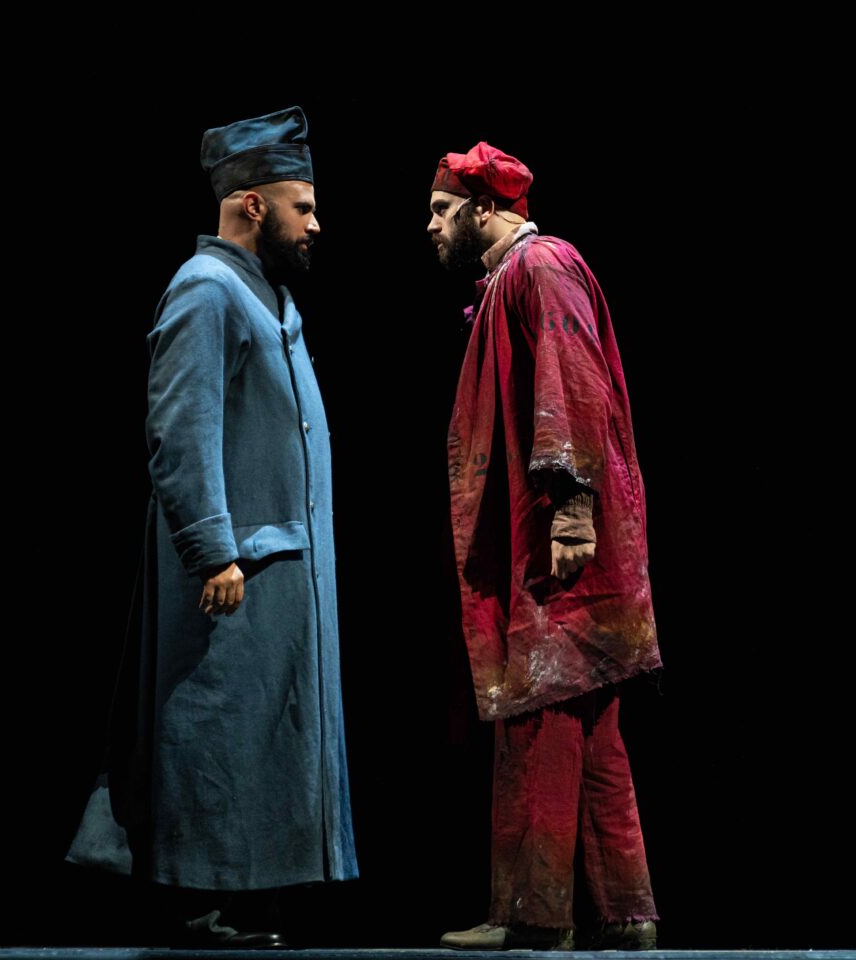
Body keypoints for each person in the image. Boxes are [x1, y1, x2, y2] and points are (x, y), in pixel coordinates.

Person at [65, 105, 358, 949]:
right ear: (252, 205)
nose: (315, 223)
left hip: (279, 573)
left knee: (258, 735)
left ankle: (242, 900)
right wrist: (211, 548)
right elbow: (180, 432)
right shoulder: (205, 291)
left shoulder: (267, 298)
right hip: (234, 573)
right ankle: (200, 901)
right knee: (213, 727)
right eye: (301, 205)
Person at [428, 142, 662, 951]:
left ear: (483, 210)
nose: (430, 226)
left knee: (541, 709)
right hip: (562, 530)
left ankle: (533, 916)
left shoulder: (544, 266)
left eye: (440, 211)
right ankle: (626, 915)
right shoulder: (510, 282)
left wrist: (571, 513)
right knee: (588, 717)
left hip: (565, 537)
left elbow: (573, 377)